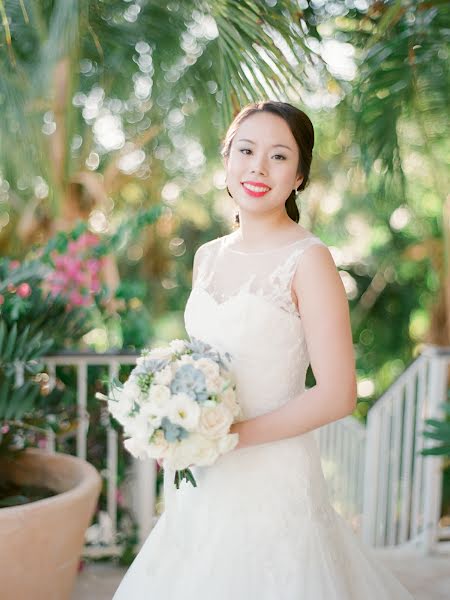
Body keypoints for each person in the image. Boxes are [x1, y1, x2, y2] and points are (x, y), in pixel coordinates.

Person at [113, 101, 414, 599]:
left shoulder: (309, 260)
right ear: (226, 160)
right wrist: (175, 421)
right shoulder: (207, 257)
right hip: (203, 481)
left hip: (273, 481)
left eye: (278, 156)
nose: (258, 167)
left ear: (299, 176)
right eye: (246, 151)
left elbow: (338, 394)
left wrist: (230, 436)